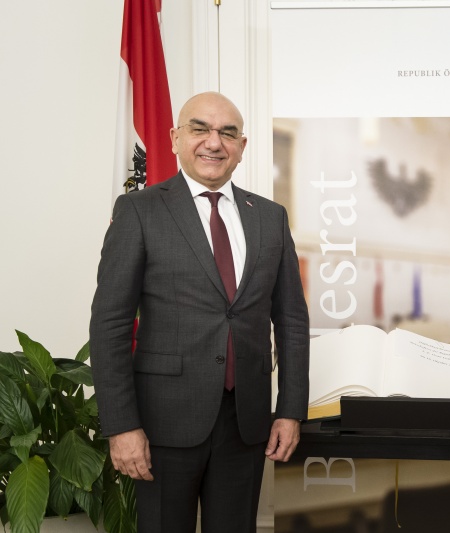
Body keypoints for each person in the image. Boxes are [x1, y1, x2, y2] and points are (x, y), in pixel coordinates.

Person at [90, 92, 310, 533]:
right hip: (161, 424)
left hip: (245, 423)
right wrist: (122, 426)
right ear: (175, 138)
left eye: (227, 133)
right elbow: (110, 324)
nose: (214, 142)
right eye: (200, 129)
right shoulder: (139, 211)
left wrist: (290, 410)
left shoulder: (270, 217)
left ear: (242, 147)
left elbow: (291, 321)